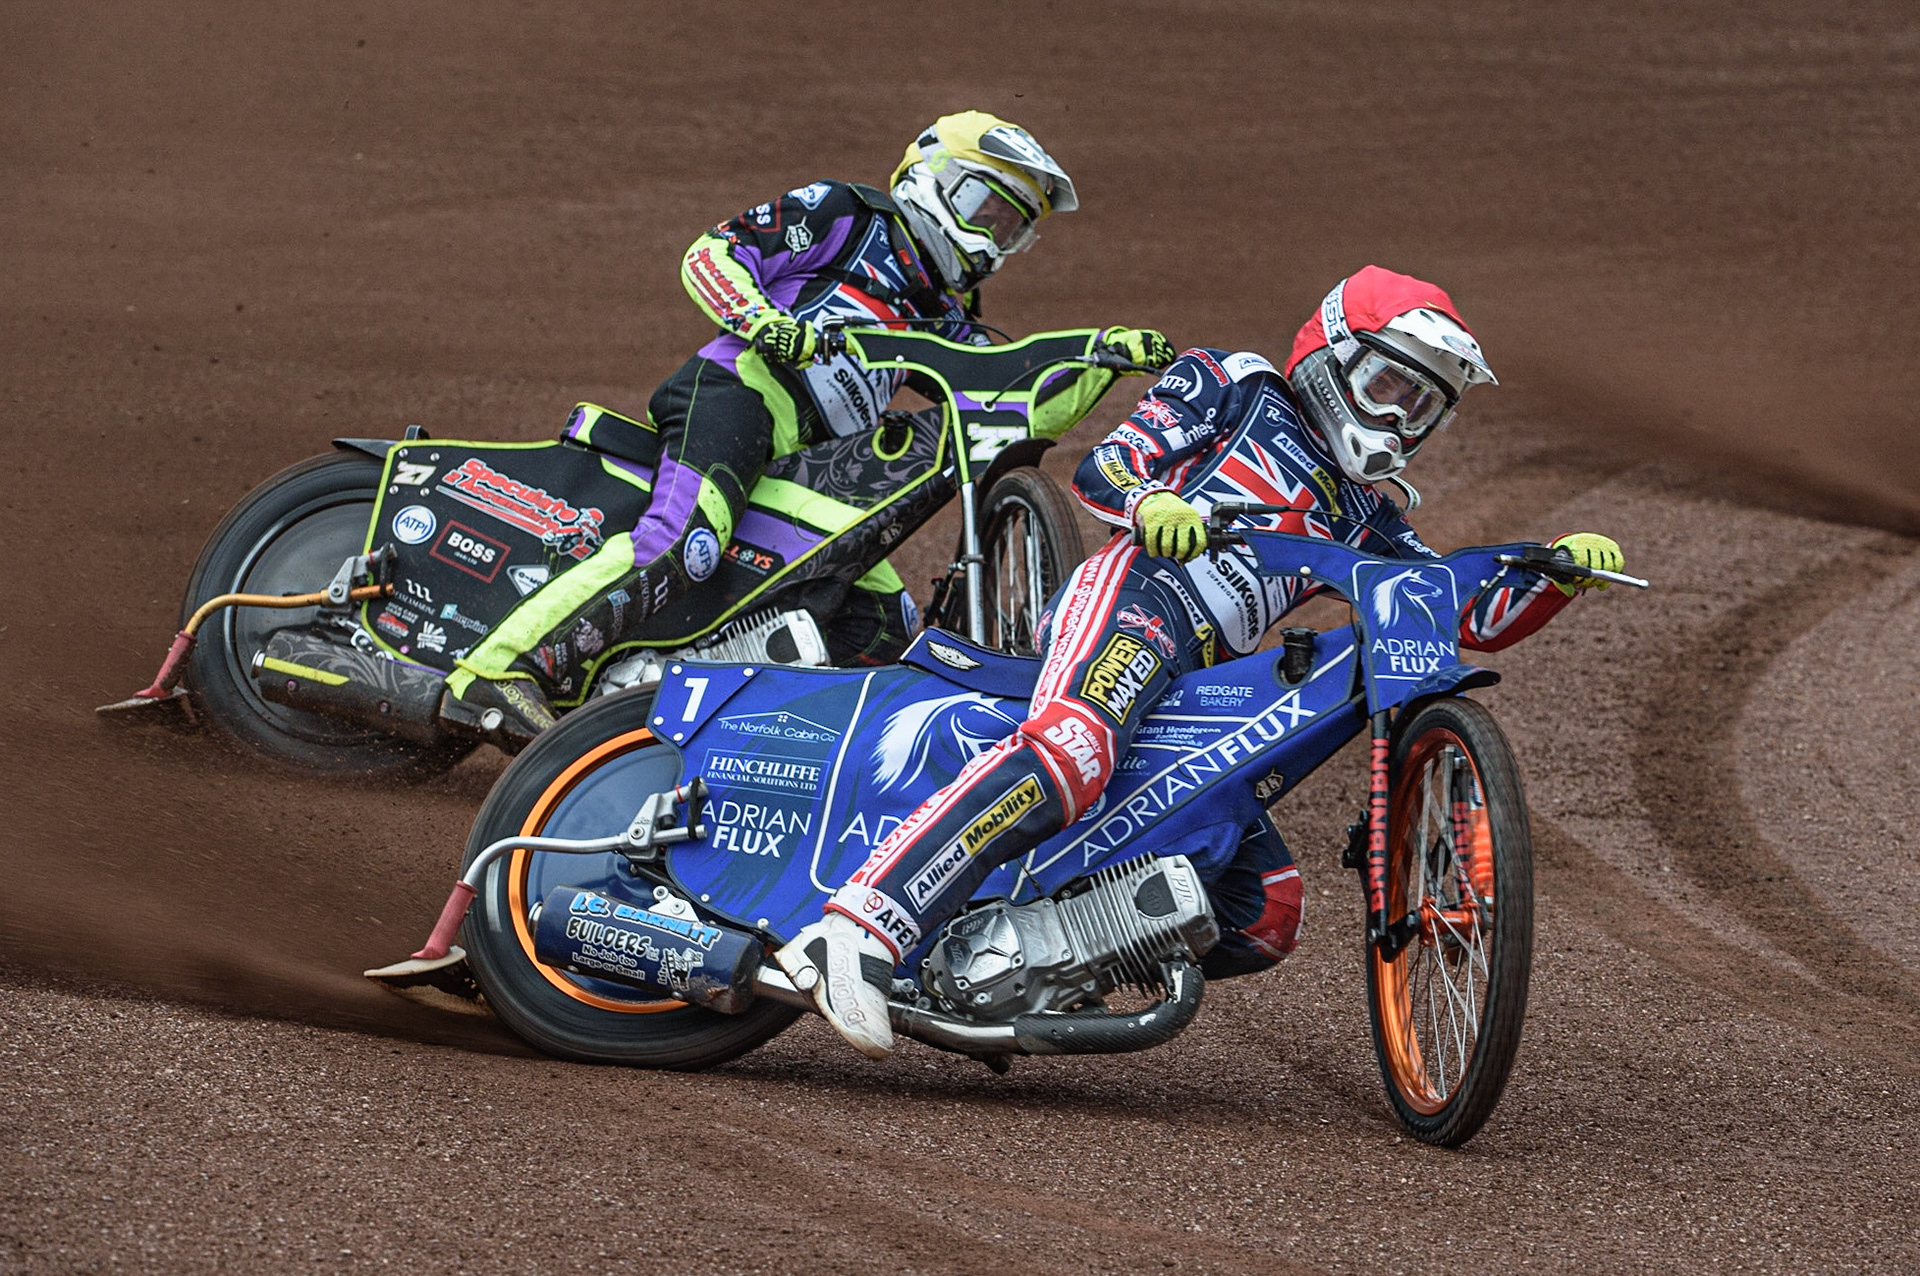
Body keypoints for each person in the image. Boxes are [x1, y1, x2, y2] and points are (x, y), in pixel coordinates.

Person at [776, 265, 1625, 1058]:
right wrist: (1154, 503)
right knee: (1076, 745)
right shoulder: (1239, 383)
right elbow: (1110, 466)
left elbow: (1462, 610)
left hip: (1204, 670)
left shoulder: (1368, 513)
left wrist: (1553, 573)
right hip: (1140, 594)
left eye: (1424, 409)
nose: (1402, 421)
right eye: (1390, 389)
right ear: (1332, 361)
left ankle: (1025, 955)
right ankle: (858, 925)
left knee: (1263, 911)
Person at [439, 111, 1173, 743]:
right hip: (738, 394)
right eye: (988, 211)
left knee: (882, 624)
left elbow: (1008, 403)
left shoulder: (948, 318)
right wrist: (764, 320)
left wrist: (1102, 360)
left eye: (1012, 231)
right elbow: (715, 252)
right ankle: (498, 671)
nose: (992, 241)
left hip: (805, 463)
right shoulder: (848, 214)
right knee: (687, 541)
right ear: (935, 178)